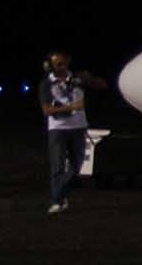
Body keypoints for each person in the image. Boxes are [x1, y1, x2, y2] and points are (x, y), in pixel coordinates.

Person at [40, 51, 105, 215]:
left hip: (78, 127)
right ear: (50, 66)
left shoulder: (76, 80)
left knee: (77, 165)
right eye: (58, 64)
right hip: (57, 129)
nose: (62, 67)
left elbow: (103, 85)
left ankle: (60, 195)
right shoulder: (46, 84)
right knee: (57, 166)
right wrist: (70, 108)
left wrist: (89, 79)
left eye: (64, 63)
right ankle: (56, 201)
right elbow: (47, 110)